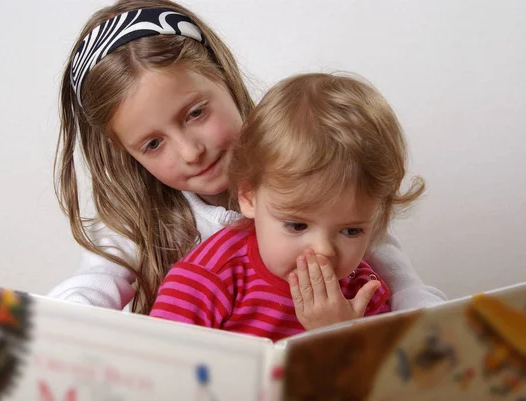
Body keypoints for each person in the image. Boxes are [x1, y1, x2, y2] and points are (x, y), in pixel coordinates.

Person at [49, 0, 446, 315]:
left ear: (224, 77)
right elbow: (93, 284)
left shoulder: (296, 153)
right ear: (128, 154)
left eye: (196, 113)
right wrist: (54, 322)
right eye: (153, 144)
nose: (190, 151)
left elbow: (390, 267)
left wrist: (422, 313)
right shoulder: (136, 219)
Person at [149, 73, 421, 340]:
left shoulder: (362, 291)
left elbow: (384, 382)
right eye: (297, 225)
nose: (323, 251)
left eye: (351, 231)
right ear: (248, 197)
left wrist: (340, 337)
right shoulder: (207, 279)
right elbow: (162, 366)